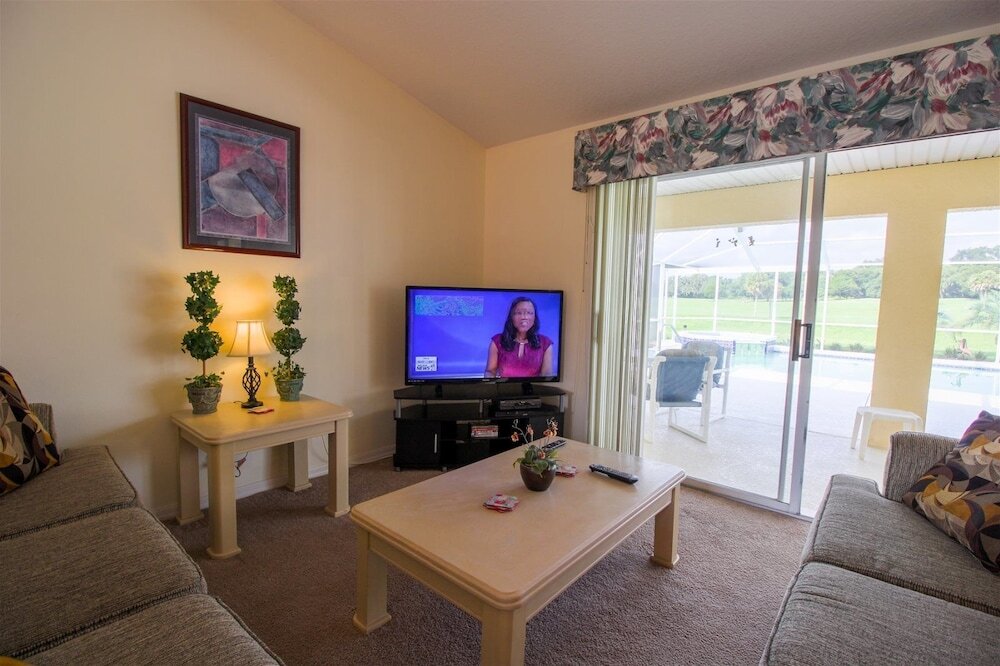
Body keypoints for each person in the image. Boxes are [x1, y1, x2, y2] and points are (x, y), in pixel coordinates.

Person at [485, 297, 554, 378]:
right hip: (504, 386)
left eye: (529, 313)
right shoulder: (497, 341)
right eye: (519, 313)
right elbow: (490, 372)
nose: (524, 317)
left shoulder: (545, 343)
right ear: (511, 317)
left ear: (535, 317)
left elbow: (546, 375)